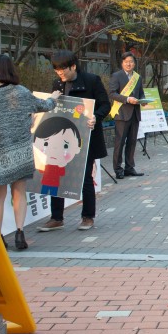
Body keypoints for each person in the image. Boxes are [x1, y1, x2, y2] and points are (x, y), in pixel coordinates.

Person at [0, 55, 59, 250]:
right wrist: (54, 98)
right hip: (22, 152)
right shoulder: (21, 92)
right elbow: (44, 106)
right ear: (10, 71)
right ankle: (20, 233)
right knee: (19, 193)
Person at [38, 50, 111, 233]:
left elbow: (105, 104)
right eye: (56, 70)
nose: (59, 74)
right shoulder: (58, 84)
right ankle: (56, 218)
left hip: (85, 139)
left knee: (85, 178)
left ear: (73, 66)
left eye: (63, 70)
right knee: (55, 176)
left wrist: (96, 117)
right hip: (58, 140)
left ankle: (87, 217)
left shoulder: (91, 80)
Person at [109, 52, 144, 180]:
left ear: (134, 63)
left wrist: (143, 101)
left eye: (131, 61)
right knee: (120, 142)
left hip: (135, 113)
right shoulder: (116, 76)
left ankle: (129, 168)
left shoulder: (138, 77)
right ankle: (118, 169)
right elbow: (112, 94)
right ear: (122, 63)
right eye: (126, 61)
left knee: (132, 142)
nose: (129, 64)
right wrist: (128, 99)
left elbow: (141, 94)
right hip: (122, 114)